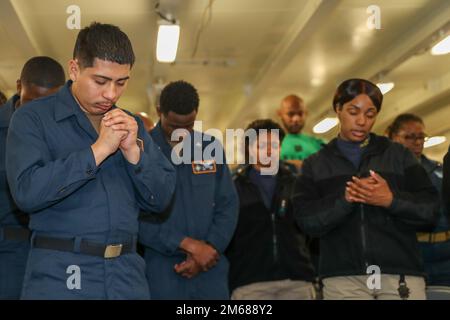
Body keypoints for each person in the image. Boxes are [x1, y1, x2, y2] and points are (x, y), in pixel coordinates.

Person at [5, 22, 176, 300]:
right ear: (74, 69)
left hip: (126, 275)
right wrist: (98, 151)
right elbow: (27, 192)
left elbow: (162, 199)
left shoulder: (131, 124)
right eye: (100, 81)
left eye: (121, 82)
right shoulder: (32, 118)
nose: (111, 94)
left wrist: (135, 154)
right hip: (60, 274)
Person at [294, 78, 439, 300]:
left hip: (399, 277)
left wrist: (391, 200)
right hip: (343, 281)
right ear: (338, 109)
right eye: (353, 112)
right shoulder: (315, 164)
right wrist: (345, 199)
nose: (361, 121)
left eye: (370, 114)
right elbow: (306, 221)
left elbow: (430, 211)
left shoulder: (399, 156)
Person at [139, 80, 238, 299]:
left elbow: (228, 204)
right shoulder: (141, 152)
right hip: (162, 269)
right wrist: (186, 244)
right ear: (159, 112)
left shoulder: (210, 148)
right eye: (174, 127)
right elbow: (135, 216)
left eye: (189, 126)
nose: (182, 134)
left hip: (210, 266)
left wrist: (210, 248)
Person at [226, 119, 315, 300]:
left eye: (274, 145)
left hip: (297, 281)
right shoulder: (233, 186)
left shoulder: (296, 183)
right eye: (262, 145)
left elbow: (312, 228)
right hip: (250, 284)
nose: (269, 151)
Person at [0, 56, 65, 299]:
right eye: (32, 102)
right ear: (19, 87)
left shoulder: (64, 132)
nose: (38, 113)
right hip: (8, 251)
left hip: (55, 249)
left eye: (47, 104)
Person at [387, 114, 450, 293]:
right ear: (393, 137)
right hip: (412, 256)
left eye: (421, 137)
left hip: (446, 257)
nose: (417, 142)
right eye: (409, 137)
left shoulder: (439, 169)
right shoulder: (387, 173)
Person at [277, 94, 324, 171]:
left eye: (300, 114)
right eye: (290, 114)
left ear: (306, 113)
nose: (296, 119)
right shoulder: (271, 144)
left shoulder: (319, 143)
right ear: (280, 114)